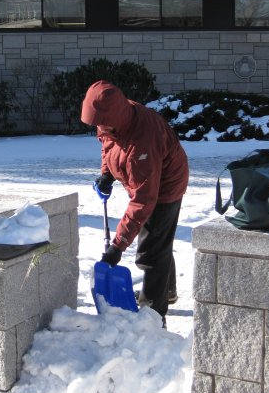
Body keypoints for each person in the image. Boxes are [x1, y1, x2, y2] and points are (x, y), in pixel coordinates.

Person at [81, 80, 189, 328]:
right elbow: (108, 144)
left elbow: (143, 201)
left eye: (102, 123)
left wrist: (117, 247)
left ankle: (154, 315)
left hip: (165, 186)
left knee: (150, 252)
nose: (99, 128)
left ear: (115, 117)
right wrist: (107, 173)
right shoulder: (113, 119)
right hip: (147, 180)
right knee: (159, 240)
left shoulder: (143, 143)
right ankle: (168, 290)